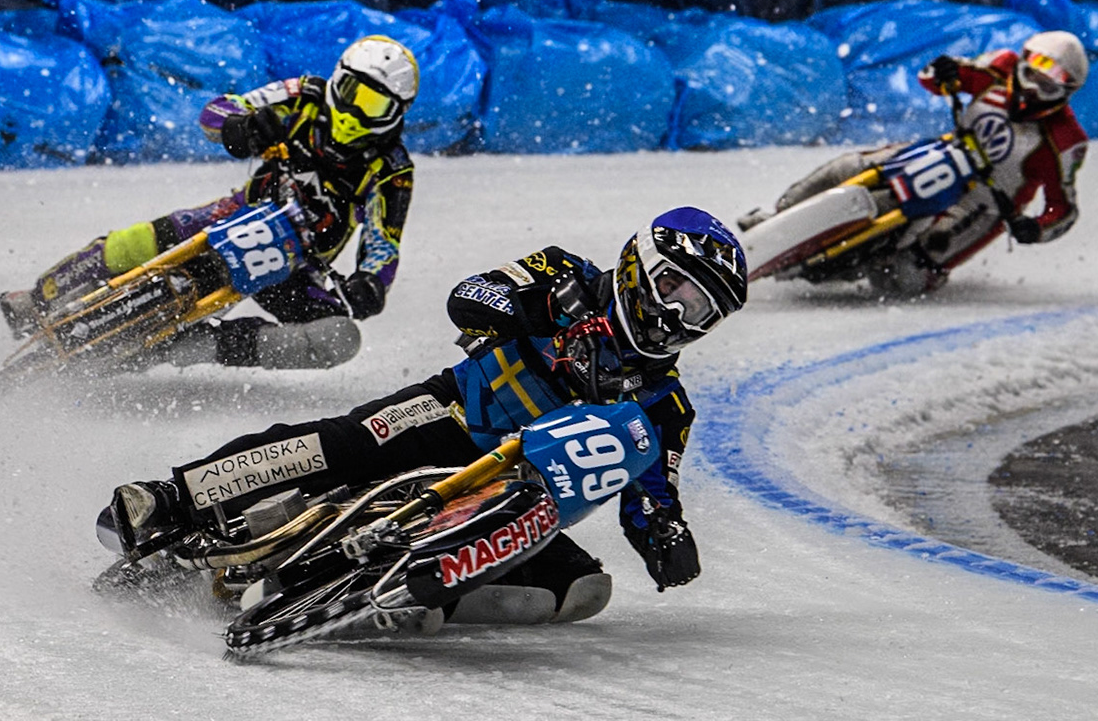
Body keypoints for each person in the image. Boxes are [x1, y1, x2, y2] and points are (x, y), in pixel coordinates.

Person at [104, 207, 749, 626]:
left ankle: (410, 598)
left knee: (581, 588)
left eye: (702, 312)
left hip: (515, 491)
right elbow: (467, 295)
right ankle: (172, 497)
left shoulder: (667, 404)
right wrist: (533, 309)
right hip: (451, 412)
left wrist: (663, 532)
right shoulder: (564, 272)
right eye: (679, 291)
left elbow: (651, 482)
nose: (681, 317)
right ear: (642, 266)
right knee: (346, 443)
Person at [0, 36, 420, 370]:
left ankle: (195, 347)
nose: (353, 112)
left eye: (372, 104)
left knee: (339, 339)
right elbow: (217, 111)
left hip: (296, 263)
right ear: (335, 79)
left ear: (396, 112)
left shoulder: (392, 170)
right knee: (138, 241)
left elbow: (384, 243)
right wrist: (244, 126)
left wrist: (370, 286)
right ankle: (38, 298)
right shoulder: (303, 94)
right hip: (236, 214)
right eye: (349, 92)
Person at [740, 32, 1090, 295]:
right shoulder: (1000, 66)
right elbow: (932, 77)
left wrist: (1037, 228)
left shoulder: (1066, 141)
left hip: (987, 202)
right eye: (1037, 72)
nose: (1035, 89)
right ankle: (778, 216)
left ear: (1067, 93)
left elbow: (1064, 208)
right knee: (848, 168)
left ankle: (858, 269)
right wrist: (944, 71)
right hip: (945, 152)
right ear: (1025, 60)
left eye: (1051, 85)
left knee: (910, 272)